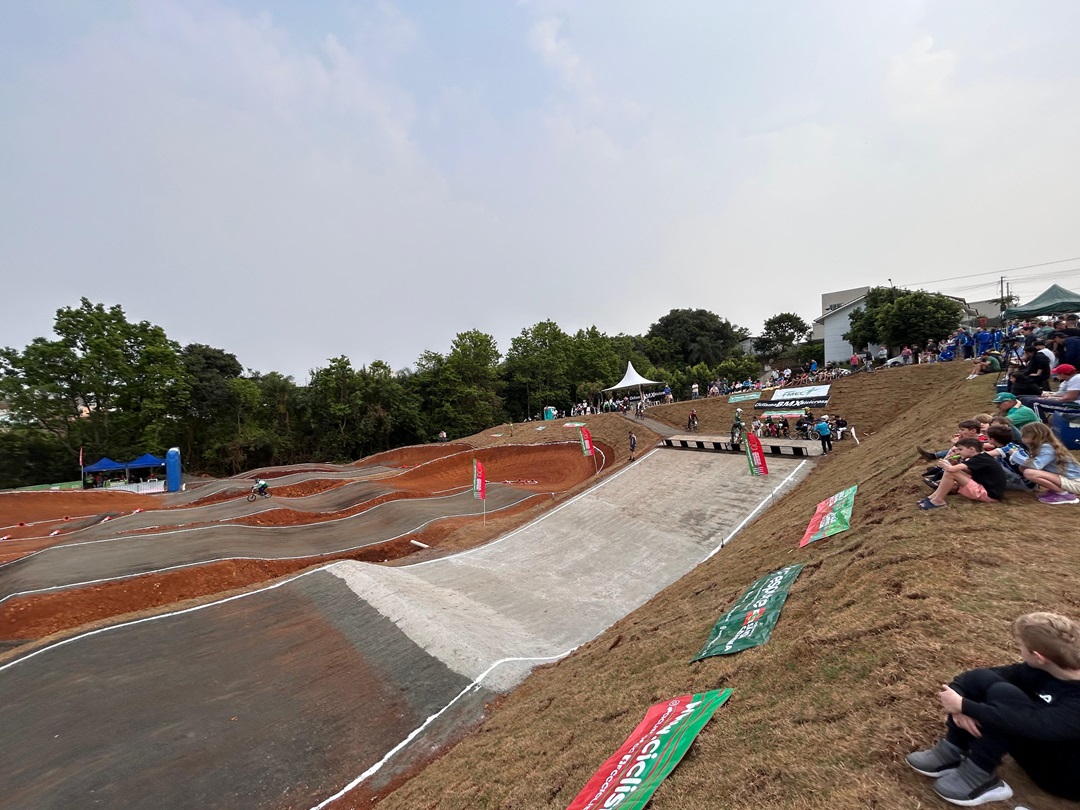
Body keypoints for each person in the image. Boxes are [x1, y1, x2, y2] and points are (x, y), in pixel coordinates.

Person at [905, 612, 1080, 805]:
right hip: (1037, 740)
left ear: (1038, 656)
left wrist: (965, 705)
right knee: (992, 685)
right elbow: (978, 677)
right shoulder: (1040, 669)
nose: (1020, 652)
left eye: (1020, 647)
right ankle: (954, 750)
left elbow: (1033, 724)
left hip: (1063, 776)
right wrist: (958, 705)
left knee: (1009, 709)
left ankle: (979, 777)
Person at [917, 437, 1005, 510]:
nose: (959, 452)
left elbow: (951, 469)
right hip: (988, 490)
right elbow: (968, 471)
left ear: (971, 449)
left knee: (951, 472)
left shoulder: (979, 459)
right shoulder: (982, 457)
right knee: (954, 471)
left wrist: (945, 463)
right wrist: (954, 463)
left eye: (960, 449)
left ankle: (938, 501)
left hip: (989, 494)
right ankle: (933, 497)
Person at [1014, 421, 1080, 505]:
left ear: (1035, 436)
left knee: (1029, 473)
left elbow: (1036, 465)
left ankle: (1064, 495)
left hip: (1076, 483)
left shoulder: (1047, 447)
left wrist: (1015, 455)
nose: (1022, 437)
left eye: (1025, 435)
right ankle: (1055, 490)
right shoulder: (1045, 446)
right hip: (1071, 480)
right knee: (1023, 468)